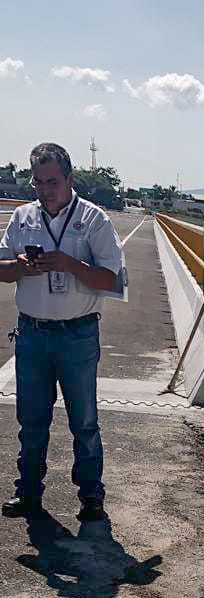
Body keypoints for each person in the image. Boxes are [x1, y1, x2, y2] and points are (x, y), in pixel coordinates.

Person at [0, 142, 123, 521]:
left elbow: (110, 279)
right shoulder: (23, 217)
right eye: (38, 183)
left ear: (69, 179)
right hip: (32, 333)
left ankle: (91, 496)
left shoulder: (94, 219)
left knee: (84, 422)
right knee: (31, 421)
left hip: (77, 336)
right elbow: (1, 269)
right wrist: (20, 267)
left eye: (52, 181)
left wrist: (71, 265)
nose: (45, 190)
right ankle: (28, 492)